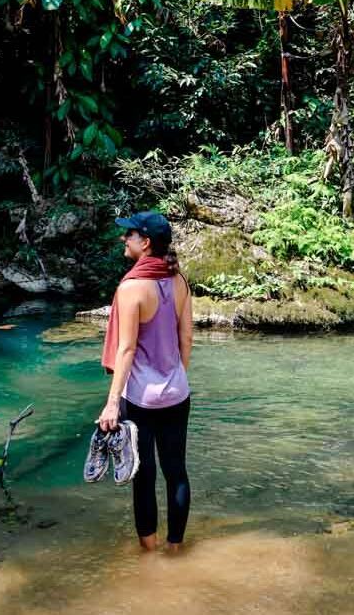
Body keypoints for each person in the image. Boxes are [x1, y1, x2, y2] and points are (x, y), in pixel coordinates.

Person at [97, 211, 194, 552]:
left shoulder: (132, 288)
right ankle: (176, 549)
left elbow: (125, 350)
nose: (124, 239)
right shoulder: (178, 279)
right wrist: (176, 376)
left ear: (146, 242)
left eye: (130, 234)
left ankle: (149, 555)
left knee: (143, 476)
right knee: (176, 472)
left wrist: (111, 403)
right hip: (177, 393)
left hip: (140, 399)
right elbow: (186, 337)